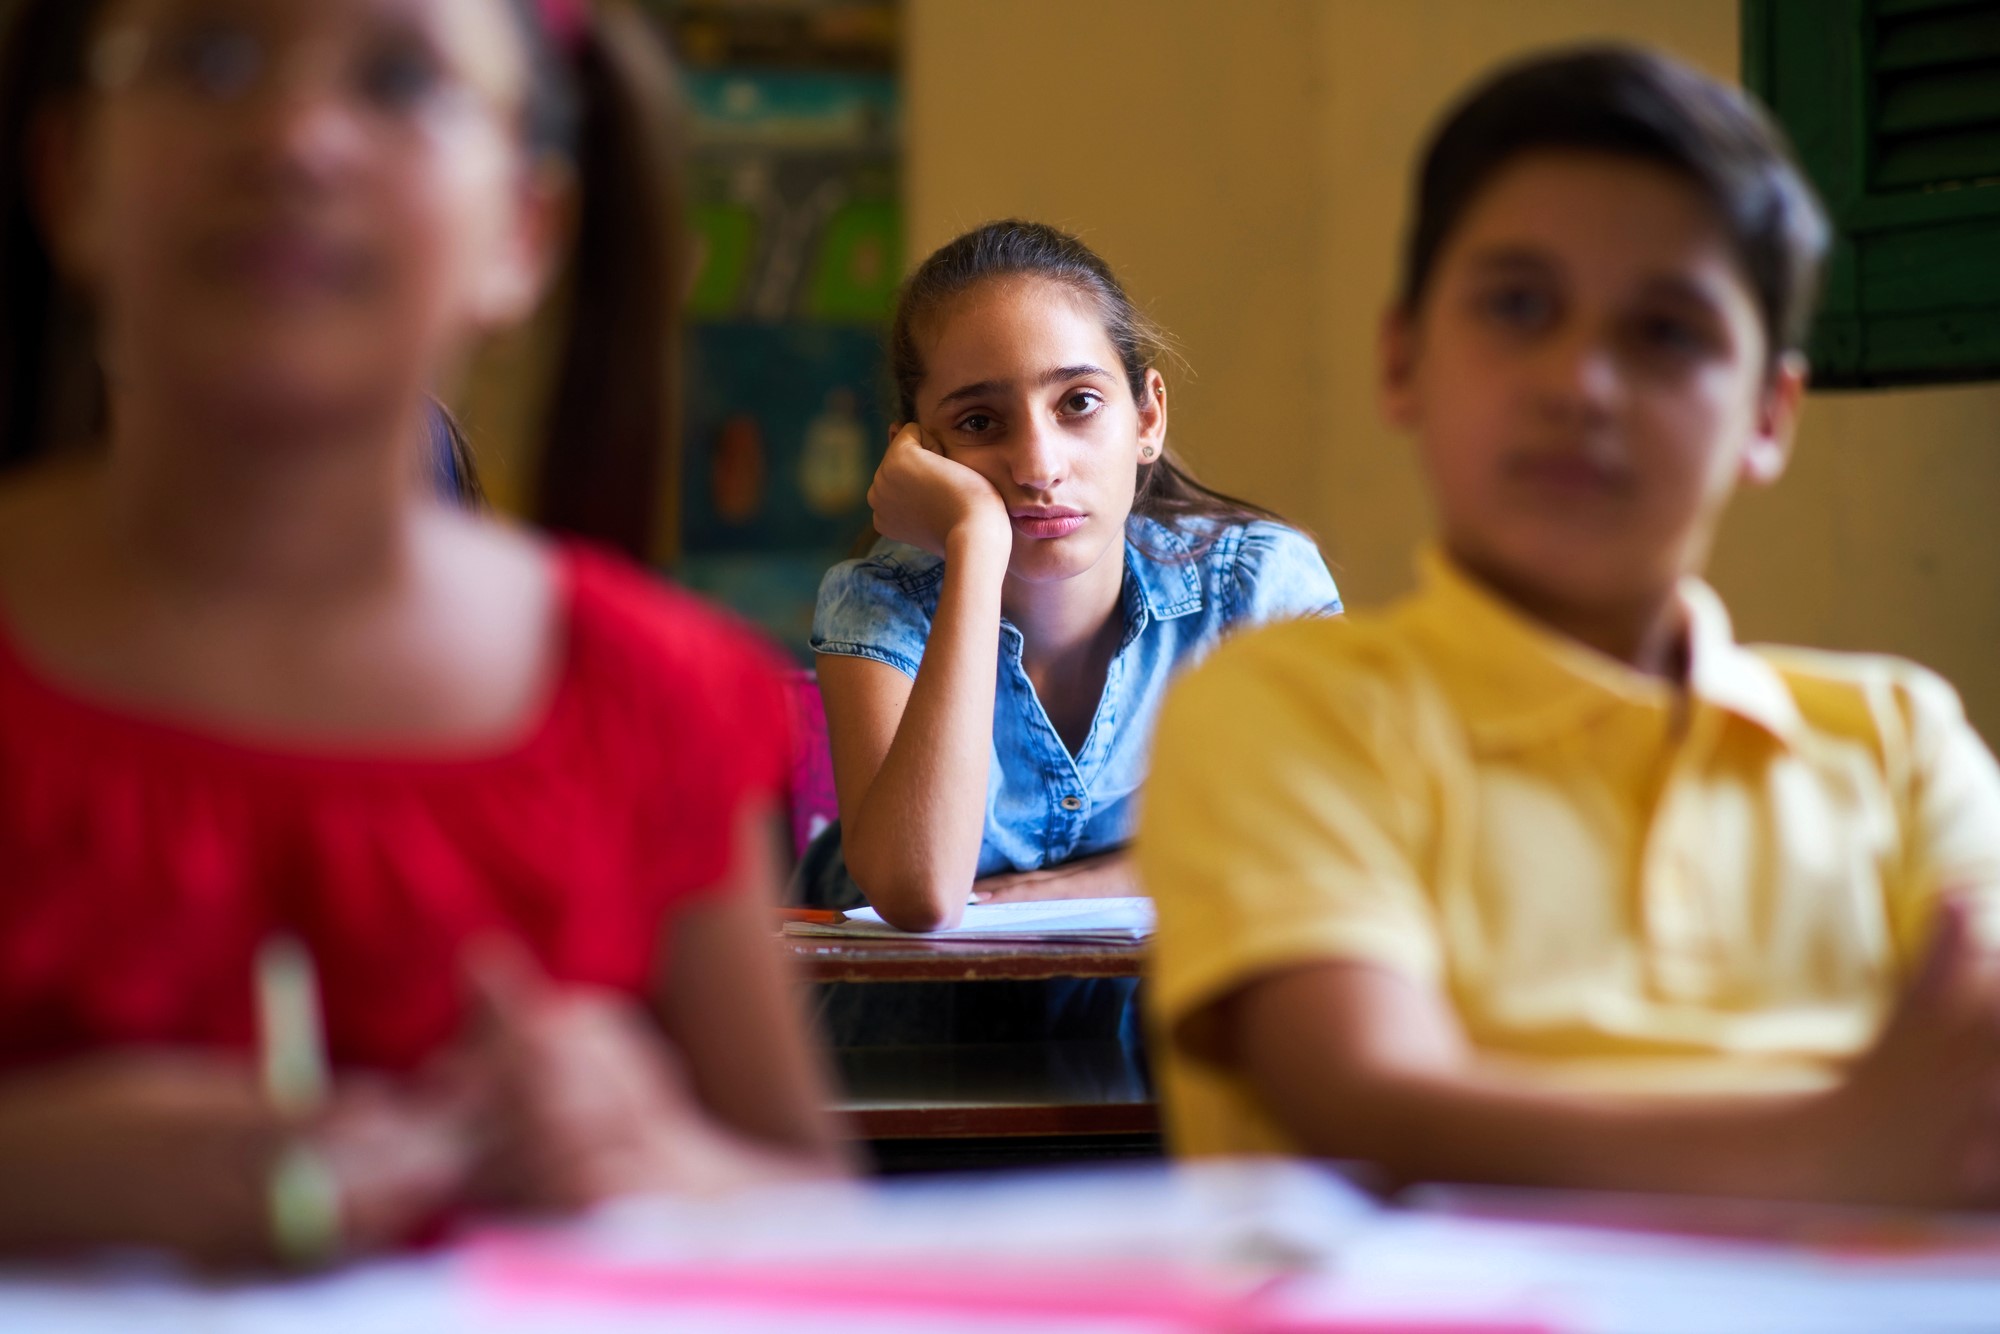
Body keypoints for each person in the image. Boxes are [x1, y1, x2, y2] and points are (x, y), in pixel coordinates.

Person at [0, 0, 844, 1268]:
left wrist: (661, 1157)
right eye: (208, 57)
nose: (293, 137)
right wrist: (45, 1165)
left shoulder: (649, 693)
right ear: (68, 173)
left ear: (523, 226)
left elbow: (822, 1219)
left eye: (398, 77)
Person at [1139, 45, 2000, 1207]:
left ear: (1766, 414)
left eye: (1665, 332)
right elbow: (1364, 1096)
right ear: (1401, 359)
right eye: (1516, 305)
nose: (1581, 382)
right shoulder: (1286, 708)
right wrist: (1829, 1149)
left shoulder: (1895, 740)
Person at [802, 220, 1339, 1045]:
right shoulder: (877, 604)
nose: (1038, 464)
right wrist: (974, 542)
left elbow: (1322, 846)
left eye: (1078, 403)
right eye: (980, 422)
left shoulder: (1258, 587)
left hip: (1166, 1069)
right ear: (920, 452)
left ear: (1147, 417)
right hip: (912, 1076)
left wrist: (1061, 891)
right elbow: (921, 893)